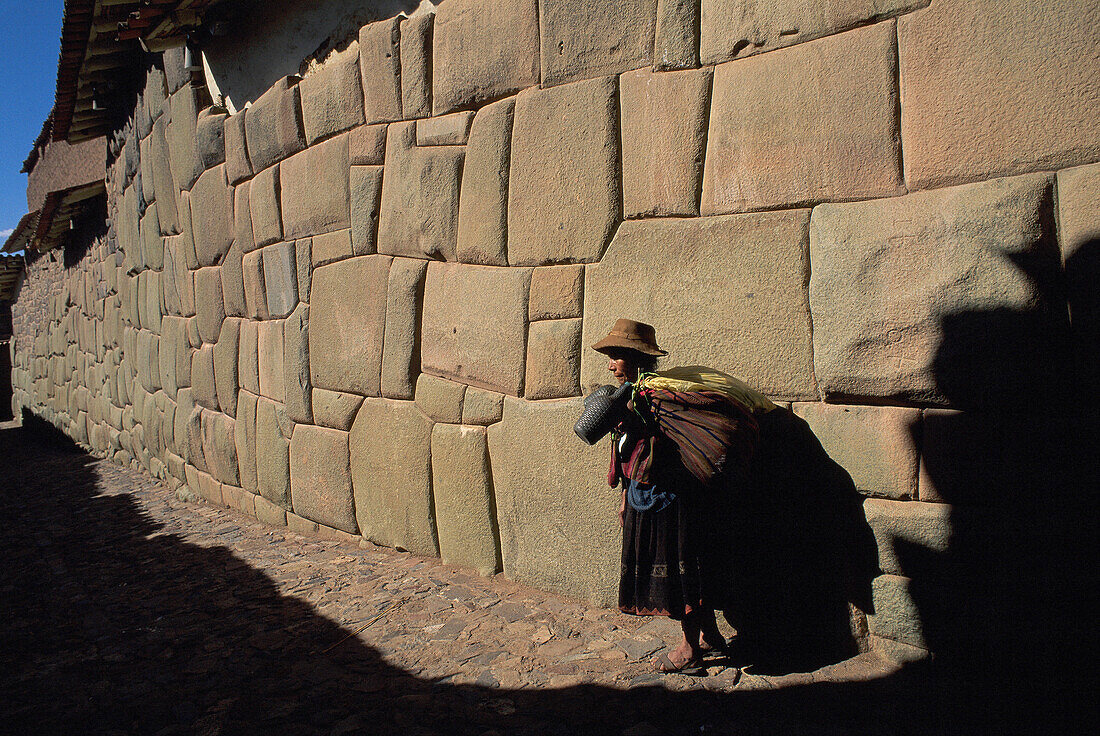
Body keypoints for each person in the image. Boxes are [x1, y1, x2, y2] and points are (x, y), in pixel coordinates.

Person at [591, 318, 769, 675]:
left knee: (678, 577)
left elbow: (656, 448)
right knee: (692, 572)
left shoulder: (651, 397)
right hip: (654, 497)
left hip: (667, 502)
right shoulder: (638, 394)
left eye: (615, 357)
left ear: (633, 357)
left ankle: (689, 648)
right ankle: (711, 636)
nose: (610, 365)